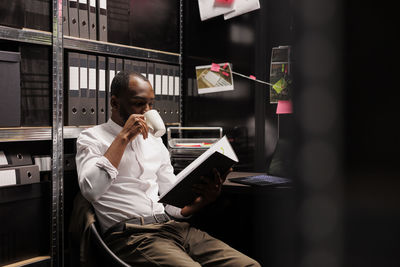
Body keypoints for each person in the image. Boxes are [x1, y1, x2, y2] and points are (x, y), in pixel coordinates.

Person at [76, 71, 260, 266]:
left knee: (249, 265)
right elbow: (91, 191)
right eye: (139, 104)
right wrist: (123, 137)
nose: (147, 111)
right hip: (132, 235)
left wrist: (203, 200)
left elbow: (172, 203)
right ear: (114, 103)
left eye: (151, 104)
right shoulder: (92, 138)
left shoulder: (155, 142)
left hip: (171, 227)